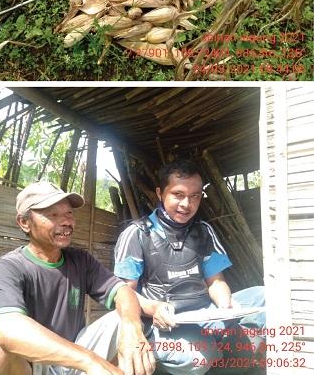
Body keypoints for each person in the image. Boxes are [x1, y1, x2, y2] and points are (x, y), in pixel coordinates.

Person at [0, 181, 156, 375]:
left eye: (68, 213)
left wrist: (132, 330)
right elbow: (5, 328)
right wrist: (90, 361)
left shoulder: (80, 260)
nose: (66, 222)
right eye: (53, 215)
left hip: (76, 352)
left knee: (125, 318)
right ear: (24, 222)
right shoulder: (9, 267)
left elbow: (122, 291)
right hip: (34, 364)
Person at [114, 160, 266, 375]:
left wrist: (225, 304)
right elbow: (124, 293)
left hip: (204, 312)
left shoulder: (203, 231)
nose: (187, 203)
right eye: (178, 194)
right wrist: (155, 308)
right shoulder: (137, 234)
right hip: (163, 322)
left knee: (264, 296)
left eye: (195, 196)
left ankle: (232, 349)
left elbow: (216, 280)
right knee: (198, 356)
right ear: (160, 193)